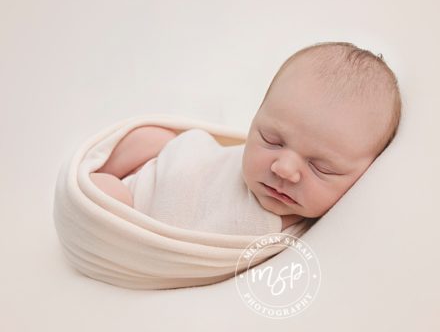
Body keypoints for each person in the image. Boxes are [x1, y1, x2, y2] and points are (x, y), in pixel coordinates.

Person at [90, 41, 402, 235]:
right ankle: (105, 171)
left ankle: (101, 187)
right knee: (152, 137)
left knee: (105, 197)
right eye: (271, 139)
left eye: (322, 167)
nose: (284, 169)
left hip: (136, 212)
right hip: (171, 169)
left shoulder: (282, 234)